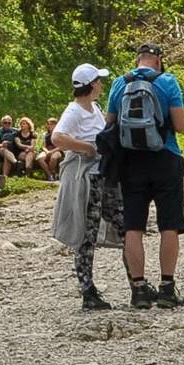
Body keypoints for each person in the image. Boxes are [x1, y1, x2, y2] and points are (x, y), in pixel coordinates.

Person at [107, 42, 184, 309]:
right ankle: (167, 287)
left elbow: (110, 124)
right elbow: (180, 125)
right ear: (159, 60)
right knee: (169, 224)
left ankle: (139, 289)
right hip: (166, 157)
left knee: (134, 226)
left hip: (131, 163)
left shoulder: (120, 83)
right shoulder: (167, 81)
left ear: (137, 60)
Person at [48, 64, 112, 308]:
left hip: (100, 174)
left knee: (111, 225)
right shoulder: (74, 110)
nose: (101, 85)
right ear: (92, 84)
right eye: (99, 81)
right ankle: (88, 290)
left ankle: (132, 284)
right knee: (87, 231)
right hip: (87, 177)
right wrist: (88, 148)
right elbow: (58, 137)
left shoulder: (93, 107)